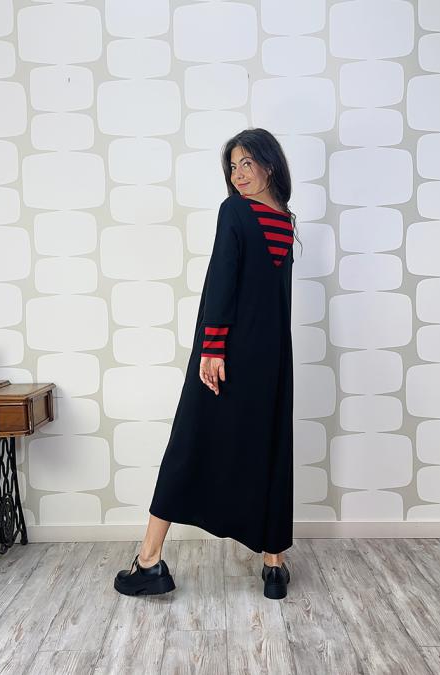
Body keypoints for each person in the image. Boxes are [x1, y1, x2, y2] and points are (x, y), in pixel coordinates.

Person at [114, 128, 301, 600]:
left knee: (188, 442)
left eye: (247, 163)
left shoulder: (235, 211)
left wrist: (212, 348)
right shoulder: (286, 220)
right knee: (269, 445)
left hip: (228, 353)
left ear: (270, 164)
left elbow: (222, 278)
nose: (238, 175)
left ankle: (149, 561)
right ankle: (274, 566)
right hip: (272, 358)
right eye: (233, 167)